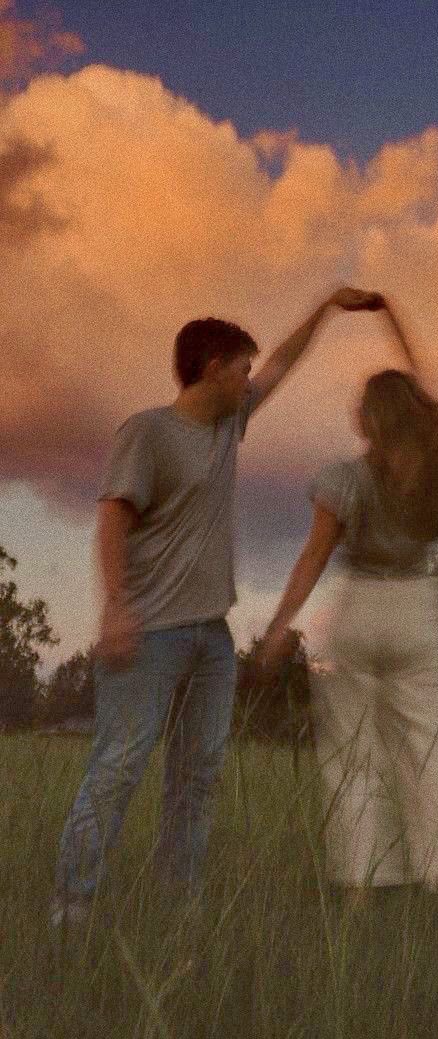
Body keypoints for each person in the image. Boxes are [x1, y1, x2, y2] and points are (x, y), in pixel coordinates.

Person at [51, 286, 384, 928]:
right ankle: (72, 906)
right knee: (120, 764)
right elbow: (113, 520)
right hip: (149, 635)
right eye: (241, 369)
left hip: (211, 640)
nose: (251, 380)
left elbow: (284, 363)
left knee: (197, 775)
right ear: (212, 368)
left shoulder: (231, 425)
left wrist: (326, 306)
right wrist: (115, 608)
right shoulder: (147, 432)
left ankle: (179, 905)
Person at [256, 297, 438, 927]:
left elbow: (313, 559)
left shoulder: (345, 478)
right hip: (423, 612)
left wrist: (276, 628)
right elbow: (423, 382)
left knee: (353, 758)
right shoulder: (437, 471)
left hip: (359, 612)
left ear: (369, 418)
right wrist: (391, 316)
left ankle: (360, 896)